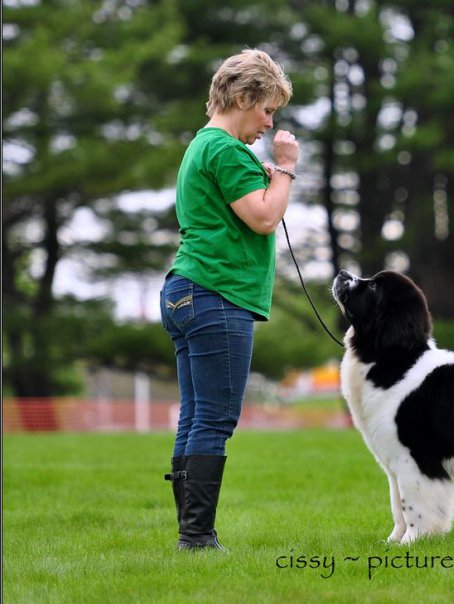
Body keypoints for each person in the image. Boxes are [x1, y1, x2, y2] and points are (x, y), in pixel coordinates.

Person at [160, 48, 299, 551]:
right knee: (215, 419)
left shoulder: (202, 146)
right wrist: (284, 168)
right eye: (266, 109)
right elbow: (264, 218)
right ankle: (197, 537)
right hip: (216, 295)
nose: (268, 122)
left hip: (184, 291)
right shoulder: (226, 149)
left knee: (196, 416)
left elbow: (243, 210)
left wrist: (266, 176)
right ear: (242, 97)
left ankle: (190, 534)